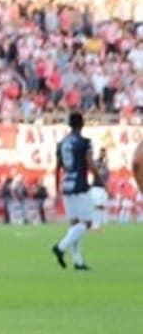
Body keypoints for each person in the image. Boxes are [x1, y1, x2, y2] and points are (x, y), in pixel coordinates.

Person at [51, 112, 99, 270]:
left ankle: (78, 261)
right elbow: (90, 163)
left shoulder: (62, 143)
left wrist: (57, 188)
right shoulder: (84, 142)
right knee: (87, 222)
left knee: (74, 224)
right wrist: (100, 180)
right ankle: (60, 247)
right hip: (80, 185)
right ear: (82, 124)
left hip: (66, 185)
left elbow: (57, 168)